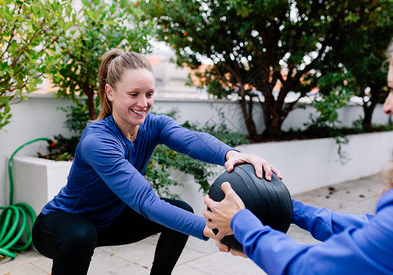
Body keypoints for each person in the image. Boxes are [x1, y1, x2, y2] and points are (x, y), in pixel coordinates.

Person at [204, 18, 393, 274]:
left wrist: (241, 223)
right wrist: (286, 206)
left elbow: (310, 268)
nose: (387, 106)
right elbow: (372, 230)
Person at [32, 48, 280, 275]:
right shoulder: (98, 141)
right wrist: (215, 229)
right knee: (80, 235)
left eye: (149, 94)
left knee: (179, 213)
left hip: (110, 222)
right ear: (110, 92)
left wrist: (232, 155)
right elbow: (145, 202)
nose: (143, 103)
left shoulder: (153, 125)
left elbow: (192, 140)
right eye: (134, 94)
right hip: (59, 226)